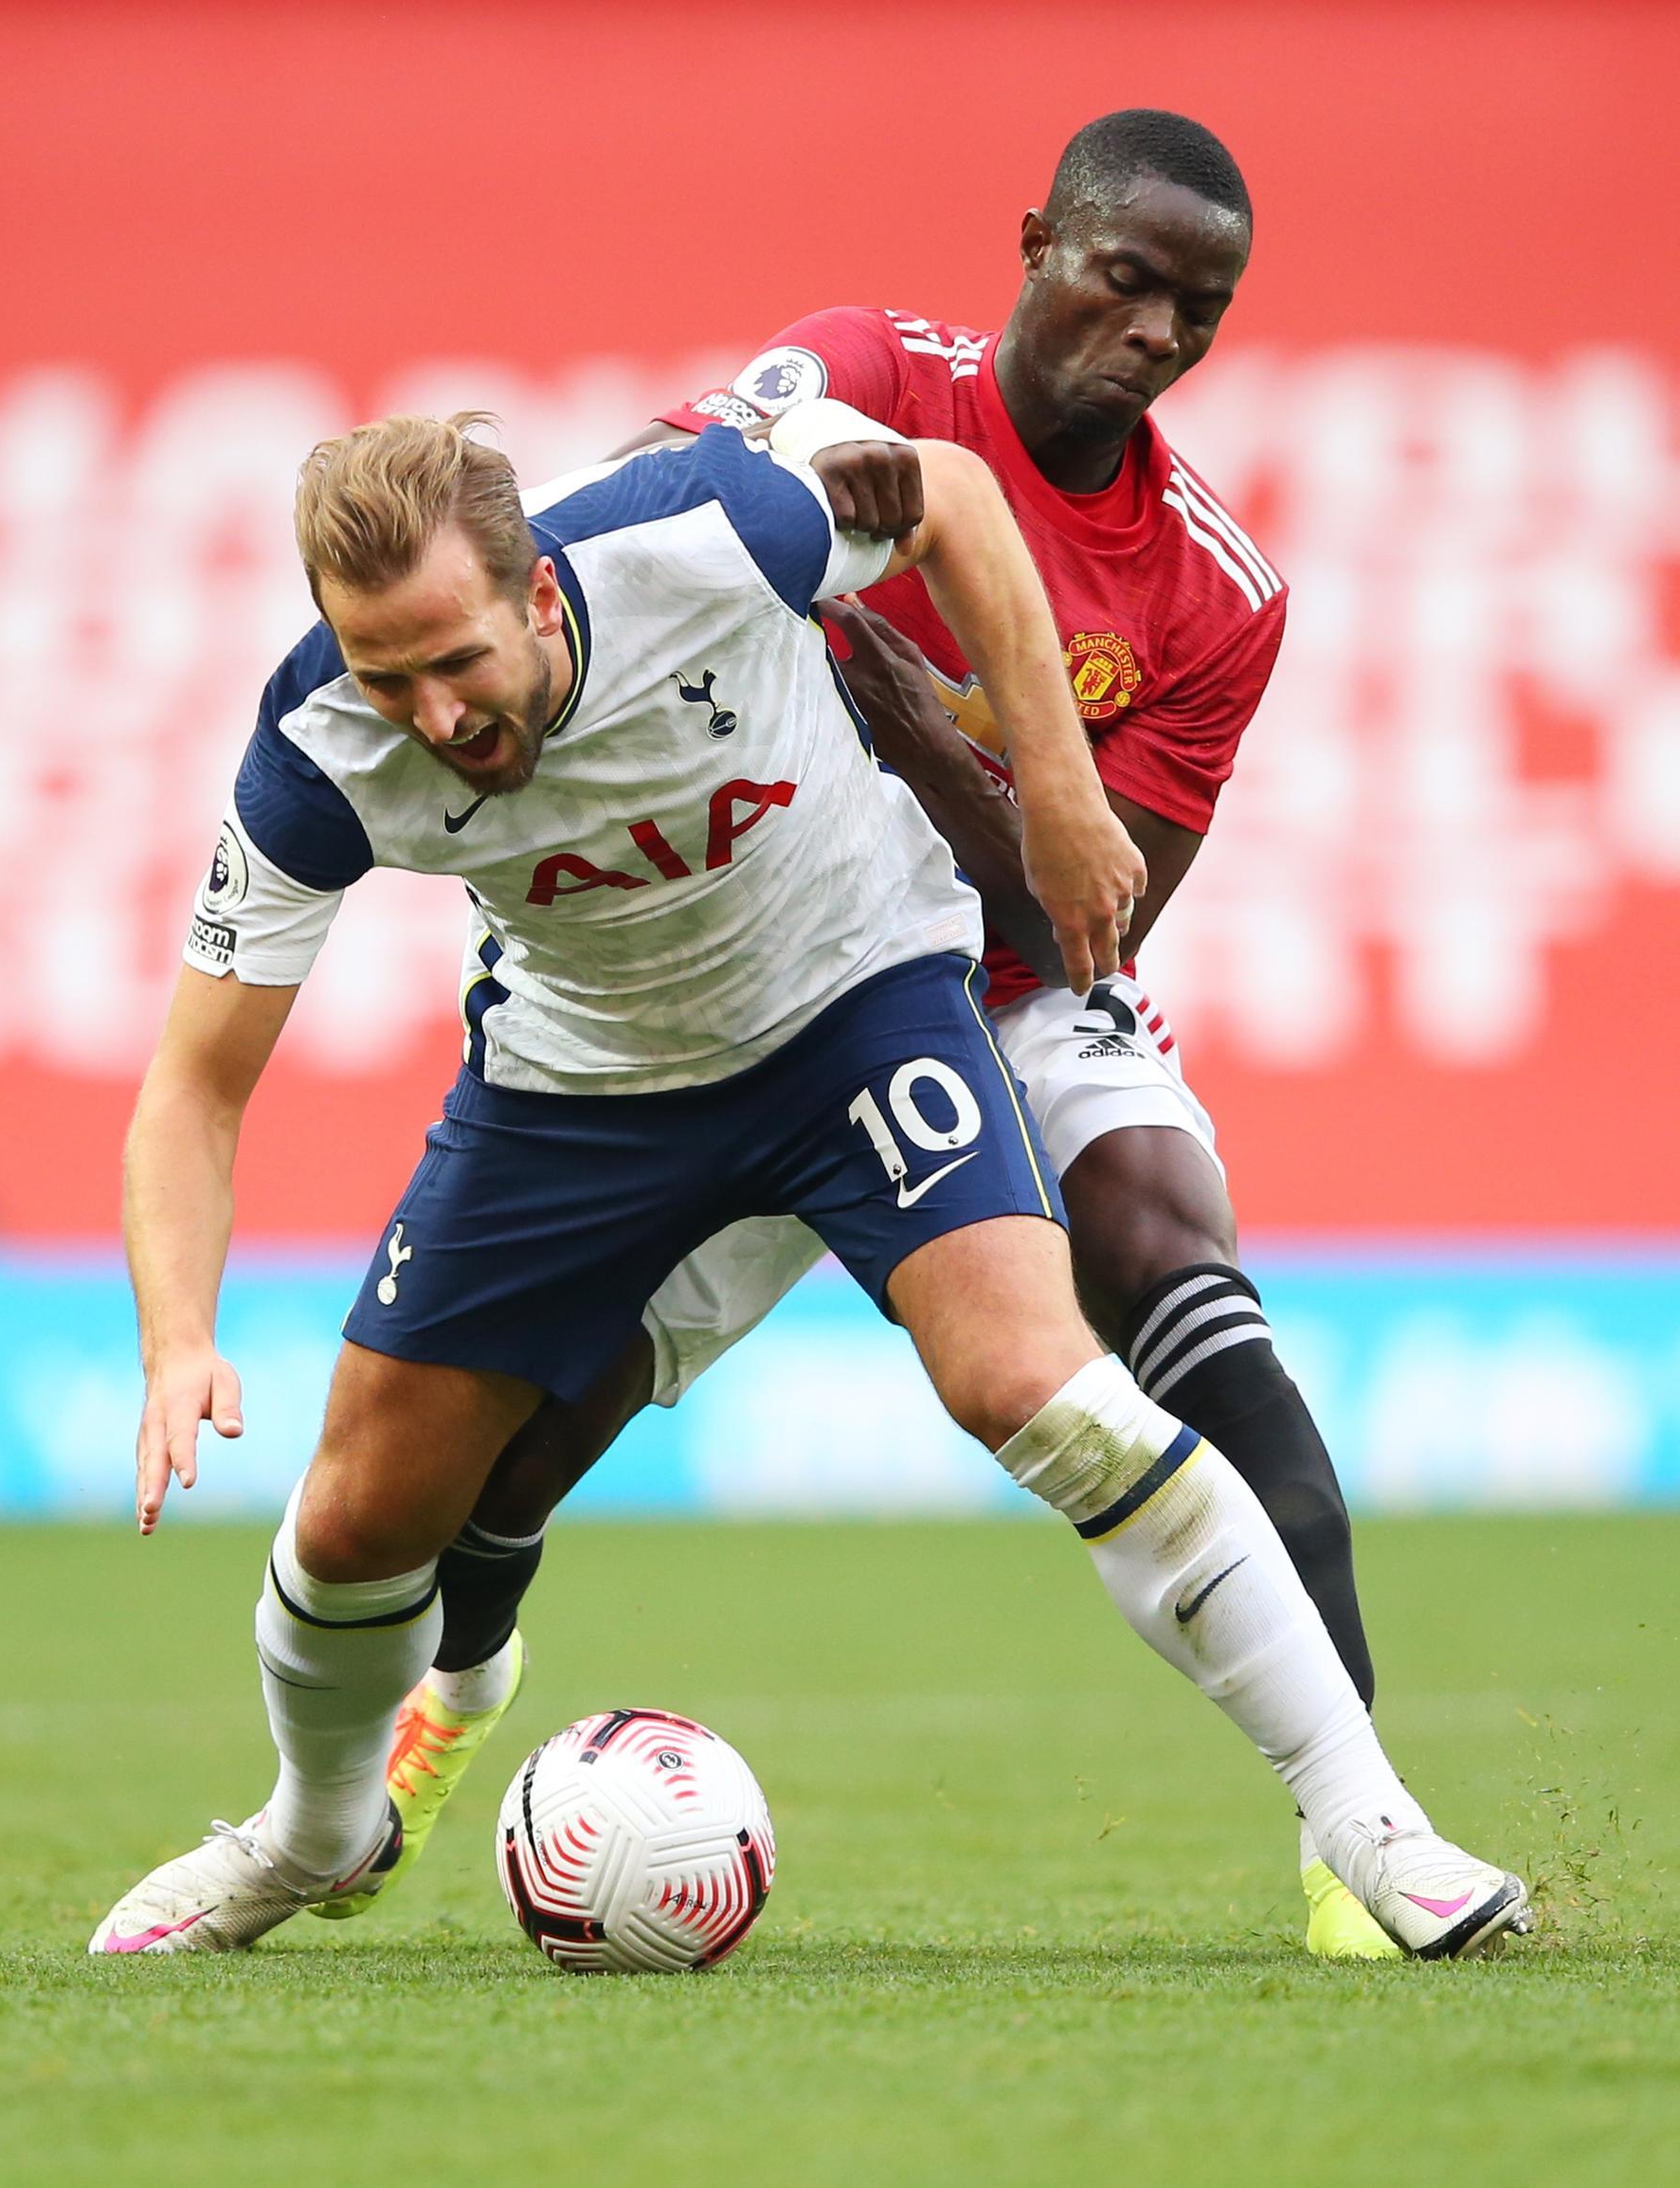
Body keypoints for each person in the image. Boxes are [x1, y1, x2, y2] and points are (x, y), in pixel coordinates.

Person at [90, 405, 1526, 1959]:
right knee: (360, 1520)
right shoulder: (317, 744)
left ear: (542, 596)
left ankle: (1373, 1826)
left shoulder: (706, 532)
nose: (433, 713)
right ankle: (313, 1834)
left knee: (1037, 1388)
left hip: (855, 1005)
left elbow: (958, 498)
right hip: (579, 1086)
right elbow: (193, 1087)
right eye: (389, 674)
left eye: (459, 658)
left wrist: (1053, 785)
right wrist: (178, 1335)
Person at [376, 109, 1403, 1961]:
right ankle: (442, 1717)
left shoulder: (1211, 592)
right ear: (1036, 245)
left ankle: (1359, 1832)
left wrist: (906, 699)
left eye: (1202, 308)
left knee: (1180, 1267)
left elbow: (1082, 921)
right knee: (511, 1453)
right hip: (765, 977)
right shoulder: (863, 374)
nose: (1158, 330)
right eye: (1127, 278)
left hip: (993, 994)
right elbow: (621, 526)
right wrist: (772, 560)